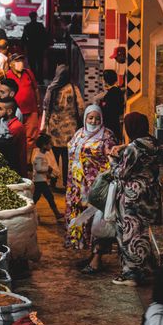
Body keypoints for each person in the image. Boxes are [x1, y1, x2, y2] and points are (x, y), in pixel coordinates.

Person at [109, 112, 160, 285]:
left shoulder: (133, 149)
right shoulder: (152, 143)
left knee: (130, 234)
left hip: (133, 196)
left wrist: (113, 160)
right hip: (150, 194)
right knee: (142, 232)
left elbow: (121, 173)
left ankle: (132, 274)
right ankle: (147, 269)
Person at [65, 104, 117, 250]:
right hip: (76, 186)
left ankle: (95, 253)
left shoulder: (107, 136)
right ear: (85, 118)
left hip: (95, 187)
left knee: (95, 217)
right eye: (91, 118)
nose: (94, 121)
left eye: (97, 118)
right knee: (79, 213)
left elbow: (112, 160)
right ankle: (82, 245)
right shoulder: (79, 133)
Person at [42, 64, 84, 188]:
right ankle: (66, 183)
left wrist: (45, 125)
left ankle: (53, 181)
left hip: (54, 128)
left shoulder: (51, 88)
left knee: (54, 156)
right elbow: (81, 107)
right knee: (66, 158)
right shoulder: (73, 88)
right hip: (69, 129)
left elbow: (45, 107)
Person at [6, 54, 41, 162]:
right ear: (11, 64)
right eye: (17, 60)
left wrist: (38, 105)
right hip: (16, 111)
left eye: (21, 60)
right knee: (16, 136)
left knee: (31, 138)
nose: (20, 62)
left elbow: (35, 89)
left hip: (31, 110)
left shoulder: (28, 73)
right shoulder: (7, 75)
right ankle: (17, 159)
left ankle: (27, 161)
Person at [31, 133, 63, 221]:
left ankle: (56, 214)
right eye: (49, 143)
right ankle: (57, 214)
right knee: (48, 197)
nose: (51, 145)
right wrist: (48, 168)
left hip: (42, 180)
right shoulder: (38, 157)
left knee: (38, 198)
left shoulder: (43, 156)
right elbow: (38, 168)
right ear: (44, 145)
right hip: (39, 181)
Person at [95, 69, 125, 142]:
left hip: (111, 128)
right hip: (113, 126)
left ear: (105, 80)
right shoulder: (114, 91)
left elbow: (109, 111)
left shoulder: (113, 92)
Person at [21, 11, 49, 83]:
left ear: (30, 17)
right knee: (40, 64)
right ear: (36, 17)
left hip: (31, 47)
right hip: (39, 47)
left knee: (32, 65)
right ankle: (40, 79)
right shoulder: (40, 25)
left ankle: (34, 79)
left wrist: (24, 46)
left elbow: (24, 38)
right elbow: (45, 37)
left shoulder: (27, 26)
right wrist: (45, 46)